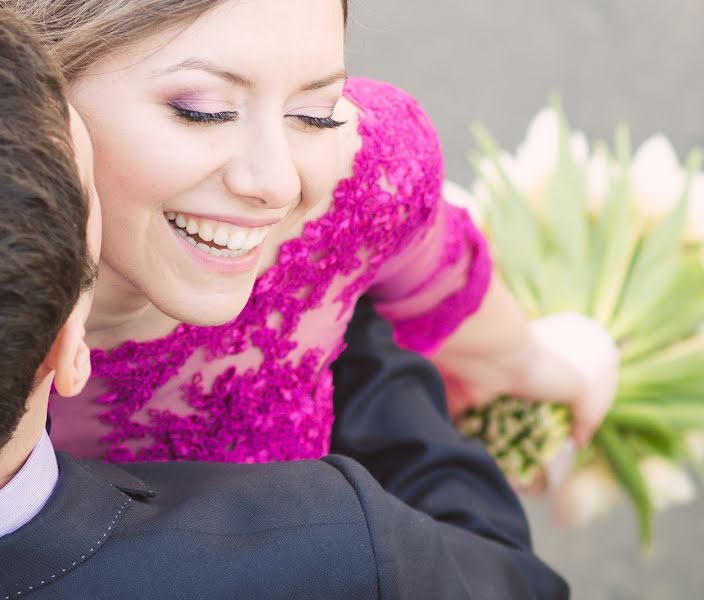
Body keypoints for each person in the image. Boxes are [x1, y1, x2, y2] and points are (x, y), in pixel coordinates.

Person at [0, 11, 568, 598]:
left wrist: (558, 365)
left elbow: (468, 316)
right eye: (202, 110)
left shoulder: (368, 179)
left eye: (315, 113)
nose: (276, 182)